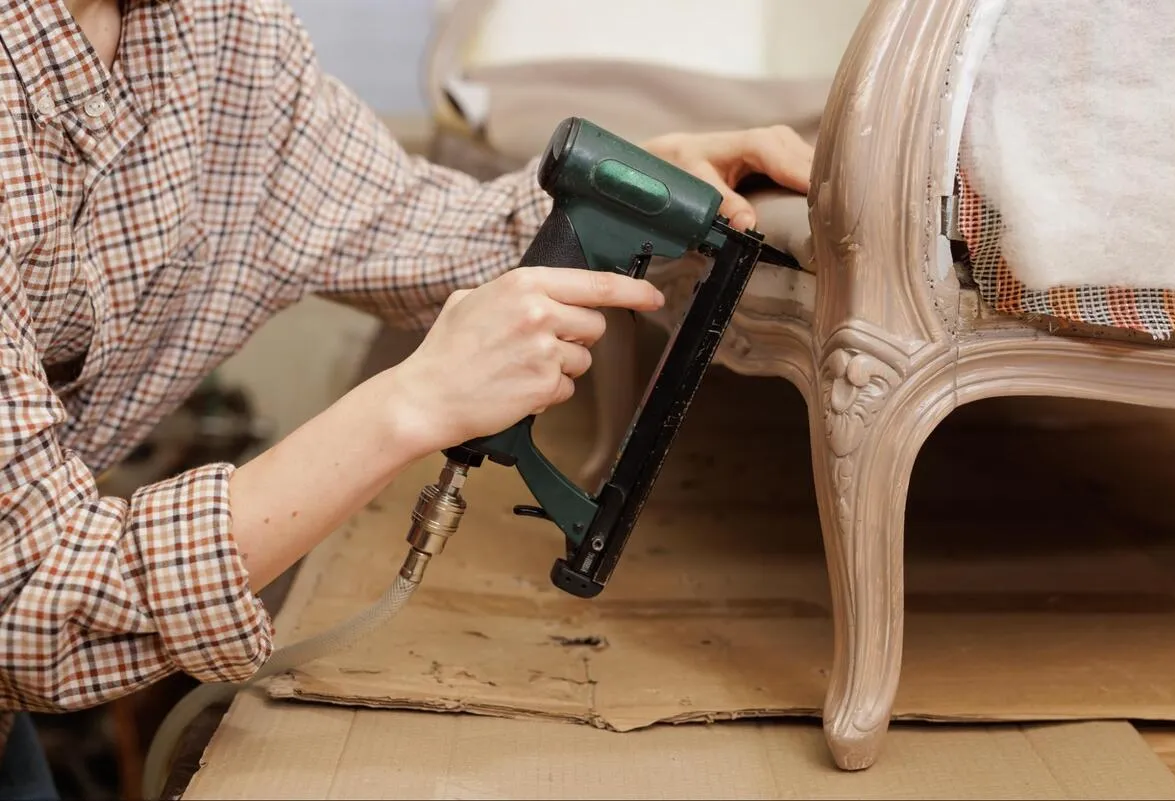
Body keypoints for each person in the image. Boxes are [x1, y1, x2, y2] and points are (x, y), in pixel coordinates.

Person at [0, 0, 814, 796]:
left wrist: (640, 190)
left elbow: (398, 222)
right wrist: (412, 404)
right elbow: (35, 589)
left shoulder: (220, 28)